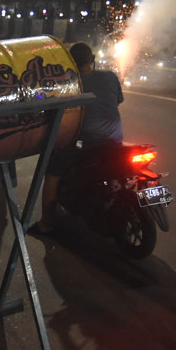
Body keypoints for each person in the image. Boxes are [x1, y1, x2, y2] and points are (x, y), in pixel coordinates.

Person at [32, 42, 124, 234]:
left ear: (69, 63)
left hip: (85, 142)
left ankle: (46, 224)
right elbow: (117, 101)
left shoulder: (68, 84)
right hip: (114, 139)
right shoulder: (109, 76)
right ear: (92, 60)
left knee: (52, 170)